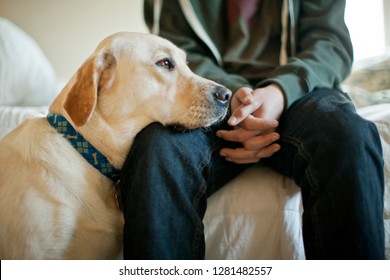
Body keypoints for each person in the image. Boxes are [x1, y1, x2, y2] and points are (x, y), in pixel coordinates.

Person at [119, 0, 385, 259]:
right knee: (157, 149)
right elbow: (179, 50)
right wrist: (233, 94)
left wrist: (280, 91)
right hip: (212, 92)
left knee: (348, 136)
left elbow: (330, 44)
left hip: (300, 92)